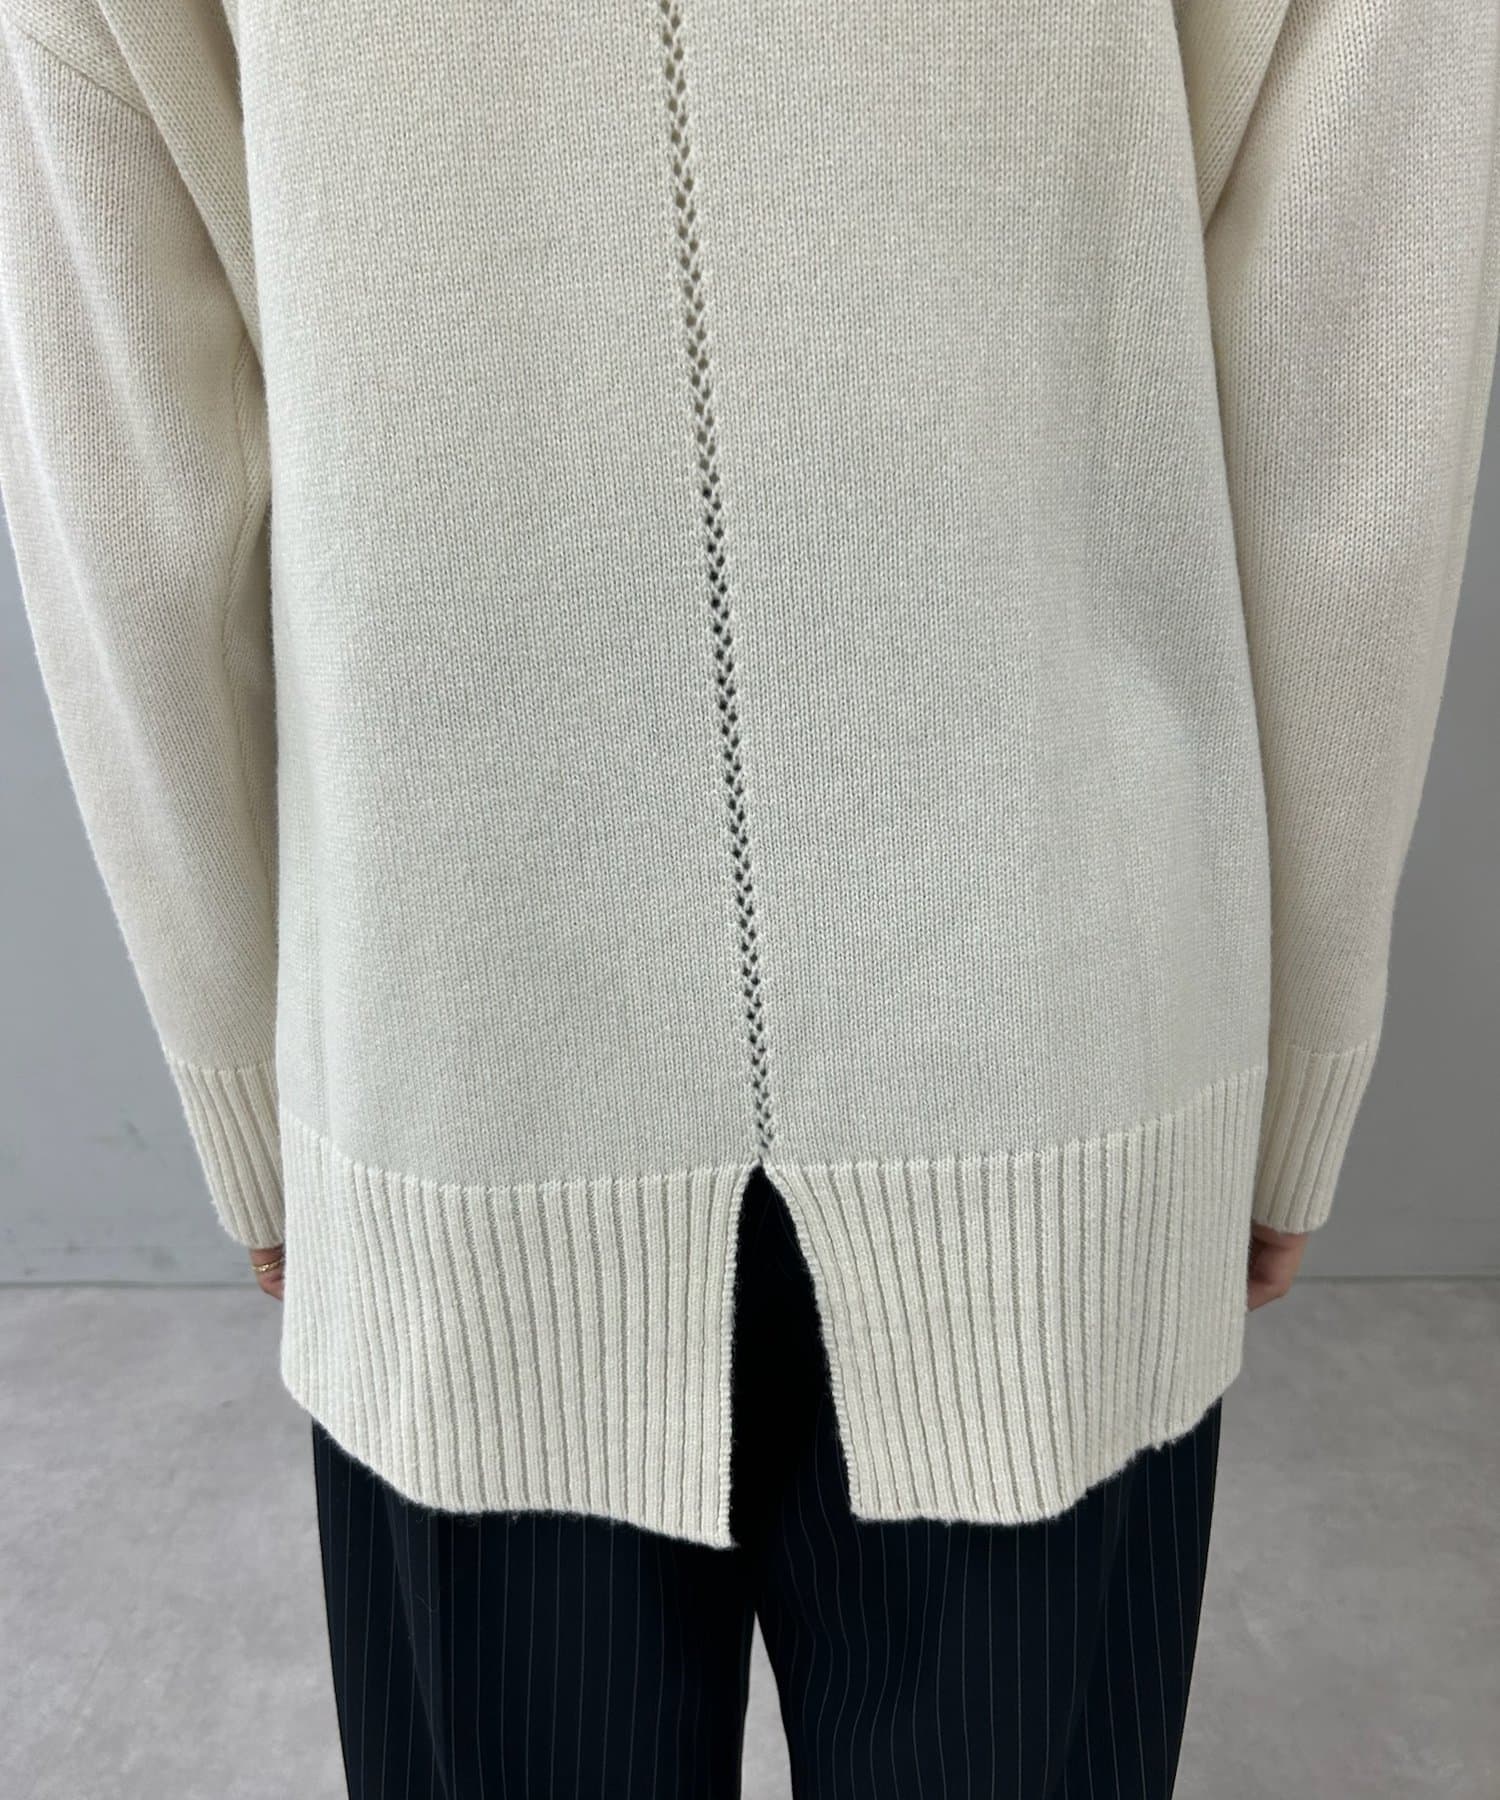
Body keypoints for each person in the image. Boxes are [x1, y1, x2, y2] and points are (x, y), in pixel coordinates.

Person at [0, 1, 1494, 1795]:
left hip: (462, 1055)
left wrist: (259, 1070)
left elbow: (128, 463)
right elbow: (1350, 369)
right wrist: (1297, 1033)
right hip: (1051, 1029)